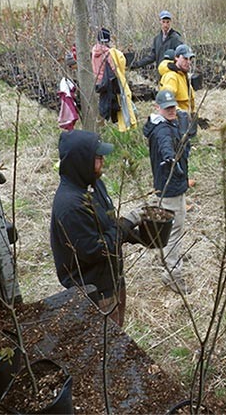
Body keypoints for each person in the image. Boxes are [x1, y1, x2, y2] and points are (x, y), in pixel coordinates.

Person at [50, 130, 140, 326]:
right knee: (107, 342)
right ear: (81, 160)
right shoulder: (71, 205)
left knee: (118, 332)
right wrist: (125, 225)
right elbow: (96, 250)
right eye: (98, 157)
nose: (103, 162)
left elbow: (107, 223)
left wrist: (138, 235)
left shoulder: (93, 184)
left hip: (111, 278)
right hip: (94, 292)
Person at [125, 90, 197, 293]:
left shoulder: (161, 123)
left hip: (170, 183)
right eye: (167, 108)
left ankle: (166, 254)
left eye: (173, 106)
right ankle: (173, 276)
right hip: (170, 184)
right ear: (157, 108)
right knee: (173, 230)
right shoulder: (163, 131)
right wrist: (171, 159)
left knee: (169, 222)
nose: (172, 110)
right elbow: (166, 146)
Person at [91, 27, 137, 132]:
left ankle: (99, 128)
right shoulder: (108, 53)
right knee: (115, 105)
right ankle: (121, 127)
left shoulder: (94, 51)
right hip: (108, 83)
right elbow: (115, 69)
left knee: (101, 106)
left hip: (98, 83)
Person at [130, 10, 184, 76]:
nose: (165, 25)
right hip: (161, 73)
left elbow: (181, 56)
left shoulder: (176, 38)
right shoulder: (157, 39)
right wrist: (136, 65)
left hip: (172, 75)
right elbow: (152, 57)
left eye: (168, 22)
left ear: (171, 22)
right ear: (160, 22)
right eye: (163, 22)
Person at [159, 44, 196, 113]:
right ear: (176, 57)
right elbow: (167, 101)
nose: (188, 62)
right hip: (176, 121)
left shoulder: (183, 75)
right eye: (185, 58)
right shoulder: (172, 77)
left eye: (190, 59)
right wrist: (181, 115)